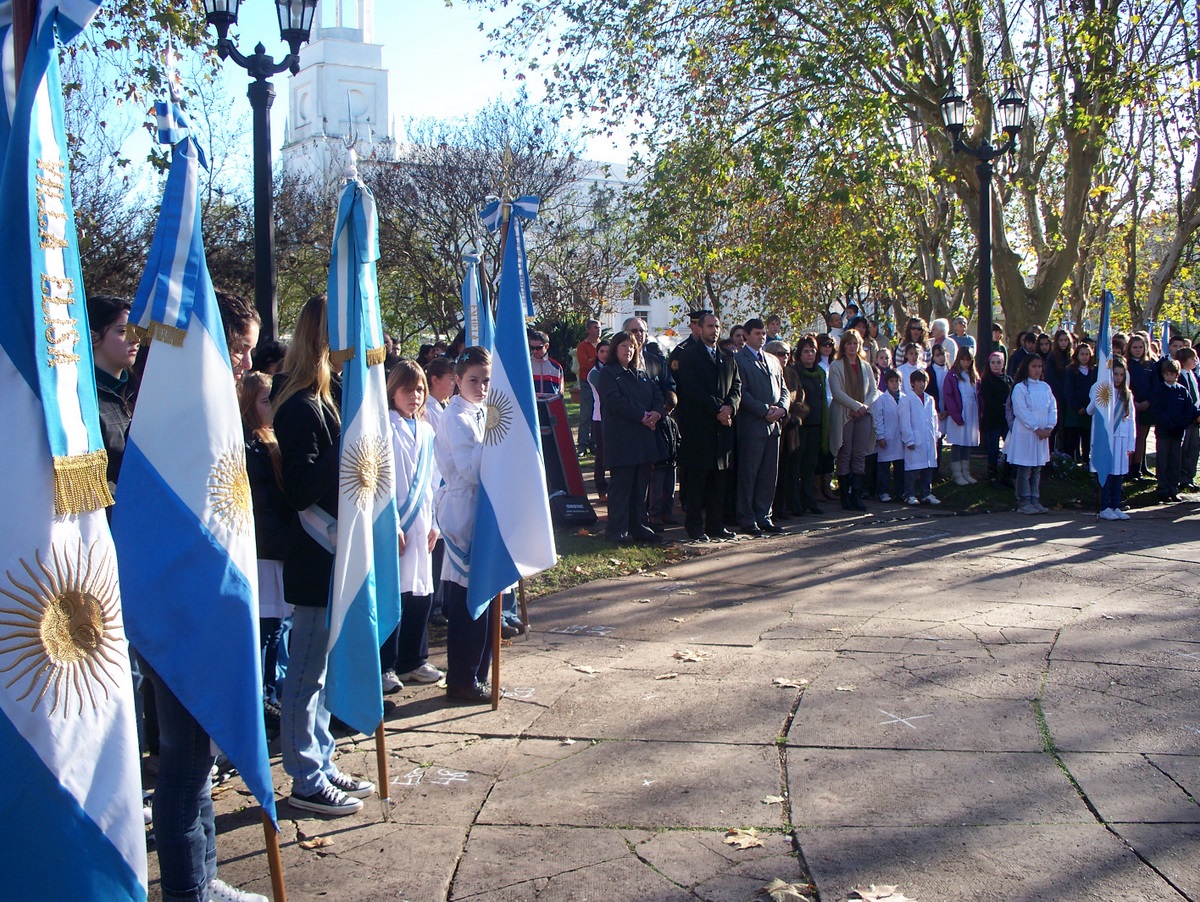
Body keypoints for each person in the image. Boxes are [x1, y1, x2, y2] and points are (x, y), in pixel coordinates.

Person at [273, 295, 375, 815]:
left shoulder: (329, 397)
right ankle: (304, 777)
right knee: (306, 672)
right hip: (315, 554)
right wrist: (345, 445)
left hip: (336, 554)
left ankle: (322, 758)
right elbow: (299, 489)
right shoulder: (298, 405)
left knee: (323, 667)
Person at [434, 347, 500, 703]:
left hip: (486, 508)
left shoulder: (482, 411)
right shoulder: (455, 416)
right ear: (457, 380)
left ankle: (478, 674)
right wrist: (494, 430)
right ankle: (461, 678)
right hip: (465, 509)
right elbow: (471, 470)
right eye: (473, 380)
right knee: (467, 598)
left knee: (487, 596)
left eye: (486, 380)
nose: (481, 387)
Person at [379, 360, 445, 695]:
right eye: (407, 390)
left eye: (419, 389)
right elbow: (383, 481)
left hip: (422, 524)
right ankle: (386, 664)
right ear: (393, 391)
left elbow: (434, 481)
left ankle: (414, 659)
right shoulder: (385, 427)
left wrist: (434, 523)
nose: (415, 396)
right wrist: (391, 522)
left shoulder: (427, 430)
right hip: (397, 523)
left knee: (421, 591)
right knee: (396, 593)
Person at [240, 371, 293, 727]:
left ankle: (270, 694)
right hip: (264, 550)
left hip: (277, 547)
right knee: (264, 629)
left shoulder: (273, 439)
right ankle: (260, 699)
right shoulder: (251, 447)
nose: (271, 407)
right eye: (264, 401)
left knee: (275, 628)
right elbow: (263, 504)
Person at [673, 312, 741, 542]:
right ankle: (694, 526)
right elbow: (692, 389)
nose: (714, 331)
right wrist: (718, 410)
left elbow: (737, 386)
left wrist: (730, 407)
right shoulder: (689, 355)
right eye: (710, 326)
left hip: (723, 428)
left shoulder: (728, 356)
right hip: (700, 427)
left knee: (719, 481)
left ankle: (715, 525)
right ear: (700, 329)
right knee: (698, 481)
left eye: (717, 327)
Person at [595, 330, 666, 543]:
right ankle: (617, 531)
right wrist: (642, 415)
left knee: (639, 488)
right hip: (621, 440)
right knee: (621, 488)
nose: (628, 350)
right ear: (615, 349)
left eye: (632, 346)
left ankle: (640, 528)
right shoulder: (608, 374)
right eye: (624, 345)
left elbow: (657, 395)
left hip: (642, 440)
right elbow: (614, 400)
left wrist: (656, 413)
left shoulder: (641, 374)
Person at [734, 318, 790, 535]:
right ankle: (747, 518)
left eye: (763, 333)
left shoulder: (773, 360)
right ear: (746, 335)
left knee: (768, 474)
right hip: (752, 426)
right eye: (757, 333)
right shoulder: (739, 360)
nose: (761, 337)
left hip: (774, 427)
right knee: (749, 475)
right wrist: (764, 410)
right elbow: (741, 393)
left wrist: (782, 409)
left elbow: (784, 389)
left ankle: (764, 516)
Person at [87, 294, 140, 497]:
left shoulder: (142, 392)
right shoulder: (83, 400)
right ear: (94, 337)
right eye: (123, 331)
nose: (135, 339)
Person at [828, 329, 880, 511]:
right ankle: (845, 496)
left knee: (859, 454)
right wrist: (856, 406)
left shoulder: (865, 366)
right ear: (843, 346)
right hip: (845, 414)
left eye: (855, 343)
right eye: (849, 343)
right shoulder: (836, 366)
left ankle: (857, 495)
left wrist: (864, 406)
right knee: (845, 453)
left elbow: (873, 390)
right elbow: (837, 392)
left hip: (863, 415)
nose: (852, 347)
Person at [1008, 354, 1057, 514]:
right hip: (1026, 433)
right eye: (1034, 366)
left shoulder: (1045, 387)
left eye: (1039, 366)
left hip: (1042, 434)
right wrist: (1036, 428)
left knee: (1037, 467)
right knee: (1025, 467)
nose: (1037, 370)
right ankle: (1023, 501)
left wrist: (1049, 427)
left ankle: (1035, 499)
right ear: (1026, 368)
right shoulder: (1020, 388)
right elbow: (1021, 411)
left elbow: (1052, 408)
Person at [1090, 356, 1135, 520]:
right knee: (1106, 472)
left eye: (1121, 375)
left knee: (1118, 473)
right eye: (1115, 374)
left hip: (1121, 439)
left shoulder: (1126, 394)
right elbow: (1091, 411)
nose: (1118, 378)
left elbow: (1131, 420)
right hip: (1106, 440)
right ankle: (1104, 507)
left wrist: (1131, 443)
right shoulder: (1101, 389)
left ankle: (1116, 505)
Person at [1150, 357, 1200, 502]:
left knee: (1175, 461)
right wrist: (1169, 423)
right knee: (1163, 460)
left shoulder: (1182, 391)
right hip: (1163, 432)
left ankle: (1173, 488)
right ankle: (1163, 489)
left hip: (1178, 433)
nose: (1169, 376)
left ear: (1177, 375)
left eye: (1172, 374)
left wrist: (1181, 424)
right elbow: (1157, 410)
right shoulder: (1159, 390)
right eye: (1166, 374)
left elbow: (1189, 409)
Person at [789, 338, 826, 515]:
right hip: (800, 425)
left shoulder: (819, 372)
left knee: (810, 465)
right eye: (806, 351)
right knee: (796, 465)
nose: (810, 354)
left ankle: (809, 500)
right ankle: (795, 503)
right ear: (799, 353)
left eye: (812, 351)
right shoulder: (795, 372)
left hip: (816, 424)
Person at [898, 369, 940, 505]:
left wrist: (936, 435)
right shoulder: (907, 400)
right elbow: (904, 421)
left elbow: (934, 418)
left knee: (927, 467)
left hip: (928, 439)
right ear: (912, 383)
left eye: (924, 381)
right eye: (919, 381)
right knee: (912, 468)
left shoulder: (930, 399)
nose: (922, 384)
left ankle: (926, 493)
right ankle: (909, 494)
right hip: (914, 439)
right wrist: (909, 439)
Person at [942, 347, 981, 485]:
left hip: (971, 413)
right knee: (958, 444)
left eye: (968, 360)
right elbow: (949, 396)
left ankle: (966, 472)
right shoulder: (952, 375)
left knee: (967, 444)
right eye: (963, 360)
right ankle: (957, 473)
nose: (966, 363)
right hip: (959, 413)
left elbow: (978, 395)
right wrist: (956, 415)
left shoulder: (974, 376)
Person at [979, 351, 1013, 486]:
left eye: (999, 362)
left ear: (1003, 364)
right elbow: (988, 399)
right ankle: (992, 473)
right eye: (993, 362)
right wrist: (1002, 405)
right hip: (992, 418)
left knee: (1009, 445)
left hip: (1006, 419)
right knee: (993, 446)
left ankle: (1007, 474)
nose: (996, 365)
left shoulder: (1008, 380)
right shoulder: (986, 380)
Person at [871, 369, 905, 502]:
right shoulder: (881, 400)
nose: (895, 384)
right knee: (884, 467)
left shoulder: (905, 399)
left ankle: (900, 492)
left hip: (901, 439)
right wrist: (880, 436)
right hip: (886, 438)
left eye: (897, 381)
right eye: (892, 381)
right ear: (887, 383)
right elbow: (878, 420)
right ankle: (883, 492)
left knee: (900, 467)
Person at [1125, 333, 1157, 478]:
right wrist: (1133, 403)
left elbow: (1155, 386)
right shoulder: (1126, 364)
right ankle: (1127, 467)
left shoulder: (1150, 365)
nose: (1138, 350)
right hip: (1130, 405)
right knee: (1130, 436)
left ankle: (1137, 467)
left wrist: (1148, 402)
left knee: (1141, 438)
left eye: (1140, 347)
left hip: (1146, 406)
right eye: (1135, 347)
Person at [649, 391, 680, 528]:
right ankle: (654, 515)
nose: (668, 413)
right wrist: (652, 459)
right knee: (656, 492)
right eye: (666, 409)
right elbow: (651, 442)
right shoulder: (655, 424)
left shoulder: (672, 423)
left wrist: (677, 453)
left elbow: (678, 439)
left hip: (671, 462)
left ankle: (667, 513)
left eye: (671, 410)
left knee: (670, 490)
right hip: (658, 462)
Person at [1063, 343, 1097, 465]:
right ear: (1076, 355)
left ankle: (1086, 462)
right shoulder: (1071, 370)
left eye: (1087, 354)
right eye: (1082, 354)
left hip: (1089, 410)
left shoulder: (1094, 371)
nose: (1084, 357)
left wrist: (1089, 407)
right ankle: (1070, 463)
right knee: (1073, 439)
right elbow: (1068, 391)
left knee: (1087, 438)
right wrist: (1078, 407)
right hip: (1075, 410)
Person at [588, 340, 611, 499]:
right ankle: (601, 488)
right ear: (597, 353)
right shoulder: (594, 373)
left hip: (615, 418)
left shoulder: (615, 369)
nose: (604, 355)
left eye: (607, 351)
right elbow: (605, 392)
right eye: (601, 351)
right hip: (600, 418)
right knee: (602, 454)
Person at [1176, 346, 1200, 489]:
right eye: (1192, 358)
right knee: (1183, 449)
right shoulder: (1180, 376)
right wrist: (1194, 413)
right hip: (1186, 417)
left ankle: (1189, 477)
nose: (1195, 361)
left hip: (1195, 417)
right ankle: (1181, 477)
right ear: (1184, 360)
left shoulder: (1193, 375)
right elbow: (1187, 398)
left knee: (1193, 448)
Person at [576, 319, 601, 453]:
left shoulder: (602, 345)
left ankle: (594, 442)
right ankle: (582, 444)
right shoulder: (582, 346)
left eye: (599, 327)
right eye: (595, 327)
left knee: (598, 413)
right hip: (586, 383)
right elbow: (584, 364)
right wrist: (597, 361)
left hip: (600, 384)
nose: (598, 330)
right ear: (589, 330)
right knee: (585, 414)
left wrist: (593, 360)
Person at [529, 330, 564, 398]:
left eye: (538, 348)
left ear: (546, 346)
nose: (535, 351)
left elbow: (560, 393)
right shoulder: (526, 366)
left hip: (550, 403)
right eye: (532, 348)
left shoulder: (556, 367)